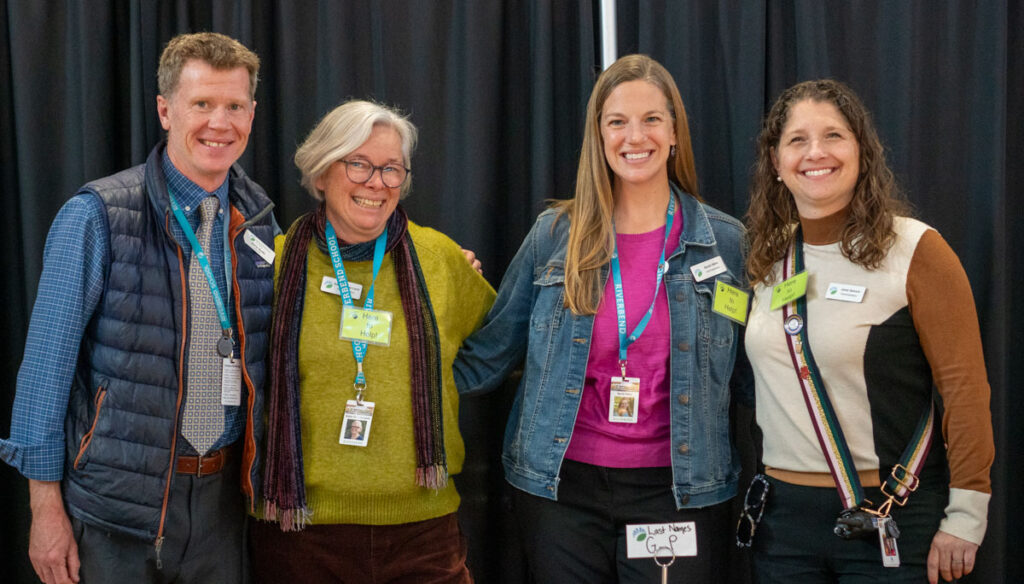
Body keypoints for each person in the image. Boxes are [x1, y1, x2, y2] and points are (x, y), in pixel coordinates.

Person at [454, 54, 750, 583]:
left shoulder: (725, 244)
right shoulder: (554, 236)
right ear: (599, 134)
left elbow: (756, 378)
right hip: (560, 491)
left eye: (651, 119)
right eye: (617, 121)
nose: (635, 136)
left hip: (679, 491)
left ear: (675, 131)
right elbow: (489, 355)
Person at [0, 32, 276, 584]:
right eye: (202, 104)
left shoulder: (259, 220)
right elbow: (44, 374)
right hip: (118, 511)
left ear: (251, 112)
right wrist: (44, 509)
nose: (220, 124)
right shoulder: (98, 215)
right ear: (165, 110)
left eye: (235, 106)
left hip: (223, 504)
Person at [742, 79, 993, 584]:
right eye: (797, 140)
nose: (816, 153)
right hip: (782, 527)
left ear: (862, 150)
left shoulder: (916, 250)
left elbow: (965, 392)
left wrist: (967, 517)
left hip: (892, 514)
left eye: (833, 135)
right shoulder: (765, 255)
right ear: (775, 161)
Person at [250, 99, 495, 584]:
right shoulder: (270, 266)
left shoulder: (439, 259)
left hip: (422, 531)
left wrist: (440, 378)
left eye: (391, 169)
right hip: (301, 532)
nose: (376, 182)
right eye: (358, 163)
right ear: (321, 173)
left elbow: (499, 345)